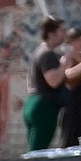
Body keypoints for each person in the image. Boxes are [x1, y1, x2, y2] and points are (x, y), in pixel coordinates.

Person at [24, 16, 68, 152]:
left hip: (33, 102)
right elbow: (53, 81)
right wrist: (65, 63)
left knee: (34, 149)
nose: (65, 34)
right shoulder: (47, 54)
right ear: (51, 34)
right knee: (38, 153)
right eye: (62, 31)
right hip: (44, 106)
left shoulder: (38, 51)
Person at [60, 25, 81, 146]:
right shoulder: (67, 57)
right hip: (73, 101)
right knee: (71, 137)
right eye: (79, 41)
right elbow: (68, 75)